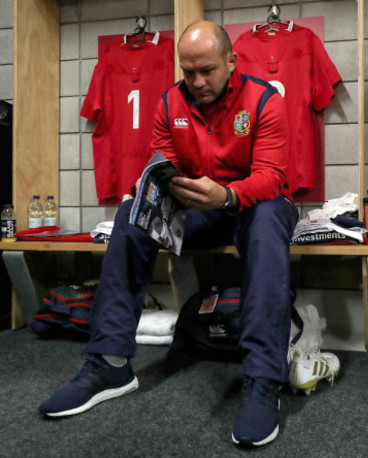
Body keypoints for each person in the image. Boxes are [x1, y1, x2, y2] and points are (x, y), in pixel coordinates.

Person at [39, 21, 298, 448]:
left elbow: (272, 176)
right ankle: (109, 364)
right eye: (188, 71)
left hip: (254, 204)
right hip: (199, 206)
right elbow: (163, 159)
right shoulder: (169, 102)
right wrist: (165, 187)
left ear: (232, 62)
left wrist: (228, 195)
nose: (197, 82)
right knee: (130, 213)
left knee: (269, 218)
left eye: (208, 70)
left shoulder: (264, 100)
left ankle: (262, 379)